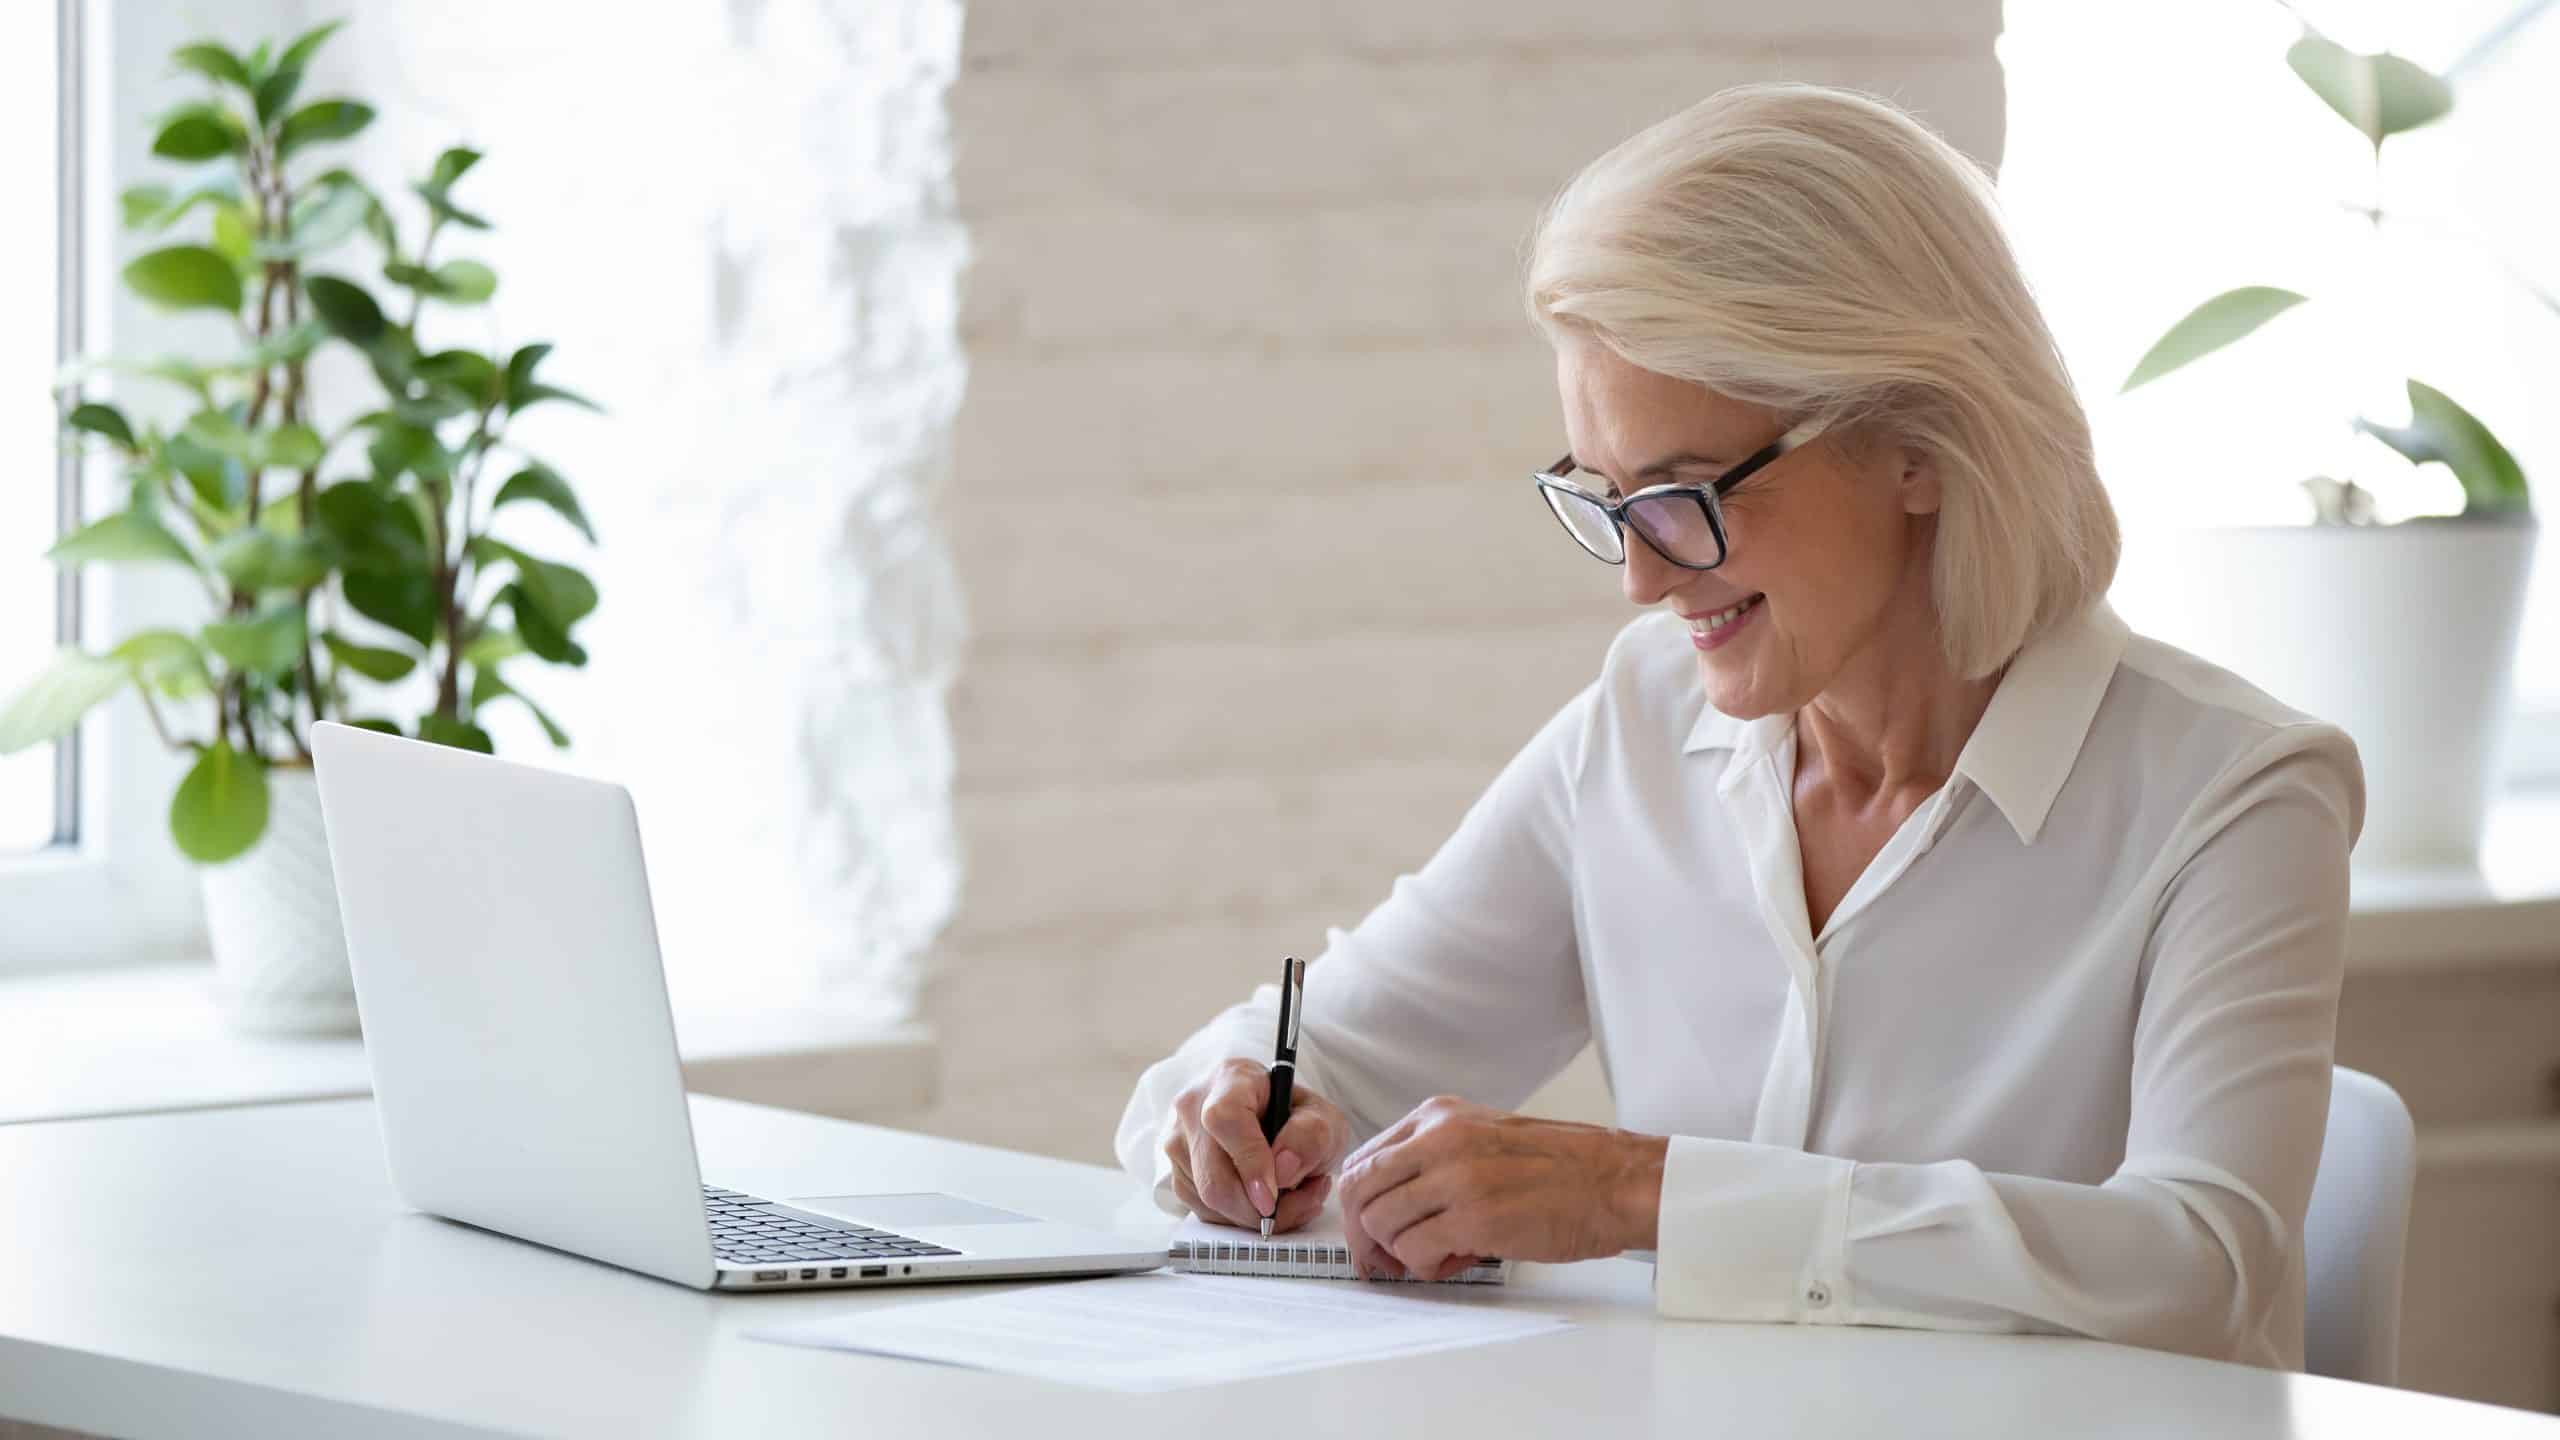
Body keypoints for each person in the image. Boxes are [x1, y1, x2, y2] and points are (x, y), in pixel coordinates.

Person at [1114, 82, 2362, 1370]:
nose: (1642, 578)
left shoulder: (2237, 793)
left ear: (1919, 444)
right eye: (1607, 497)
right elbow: (1330, 1043)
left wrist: (1639, 1192)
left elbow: (2200, 1267)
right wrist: (1230, 1125)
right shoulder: (1640, 729)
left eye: (1685, 493)